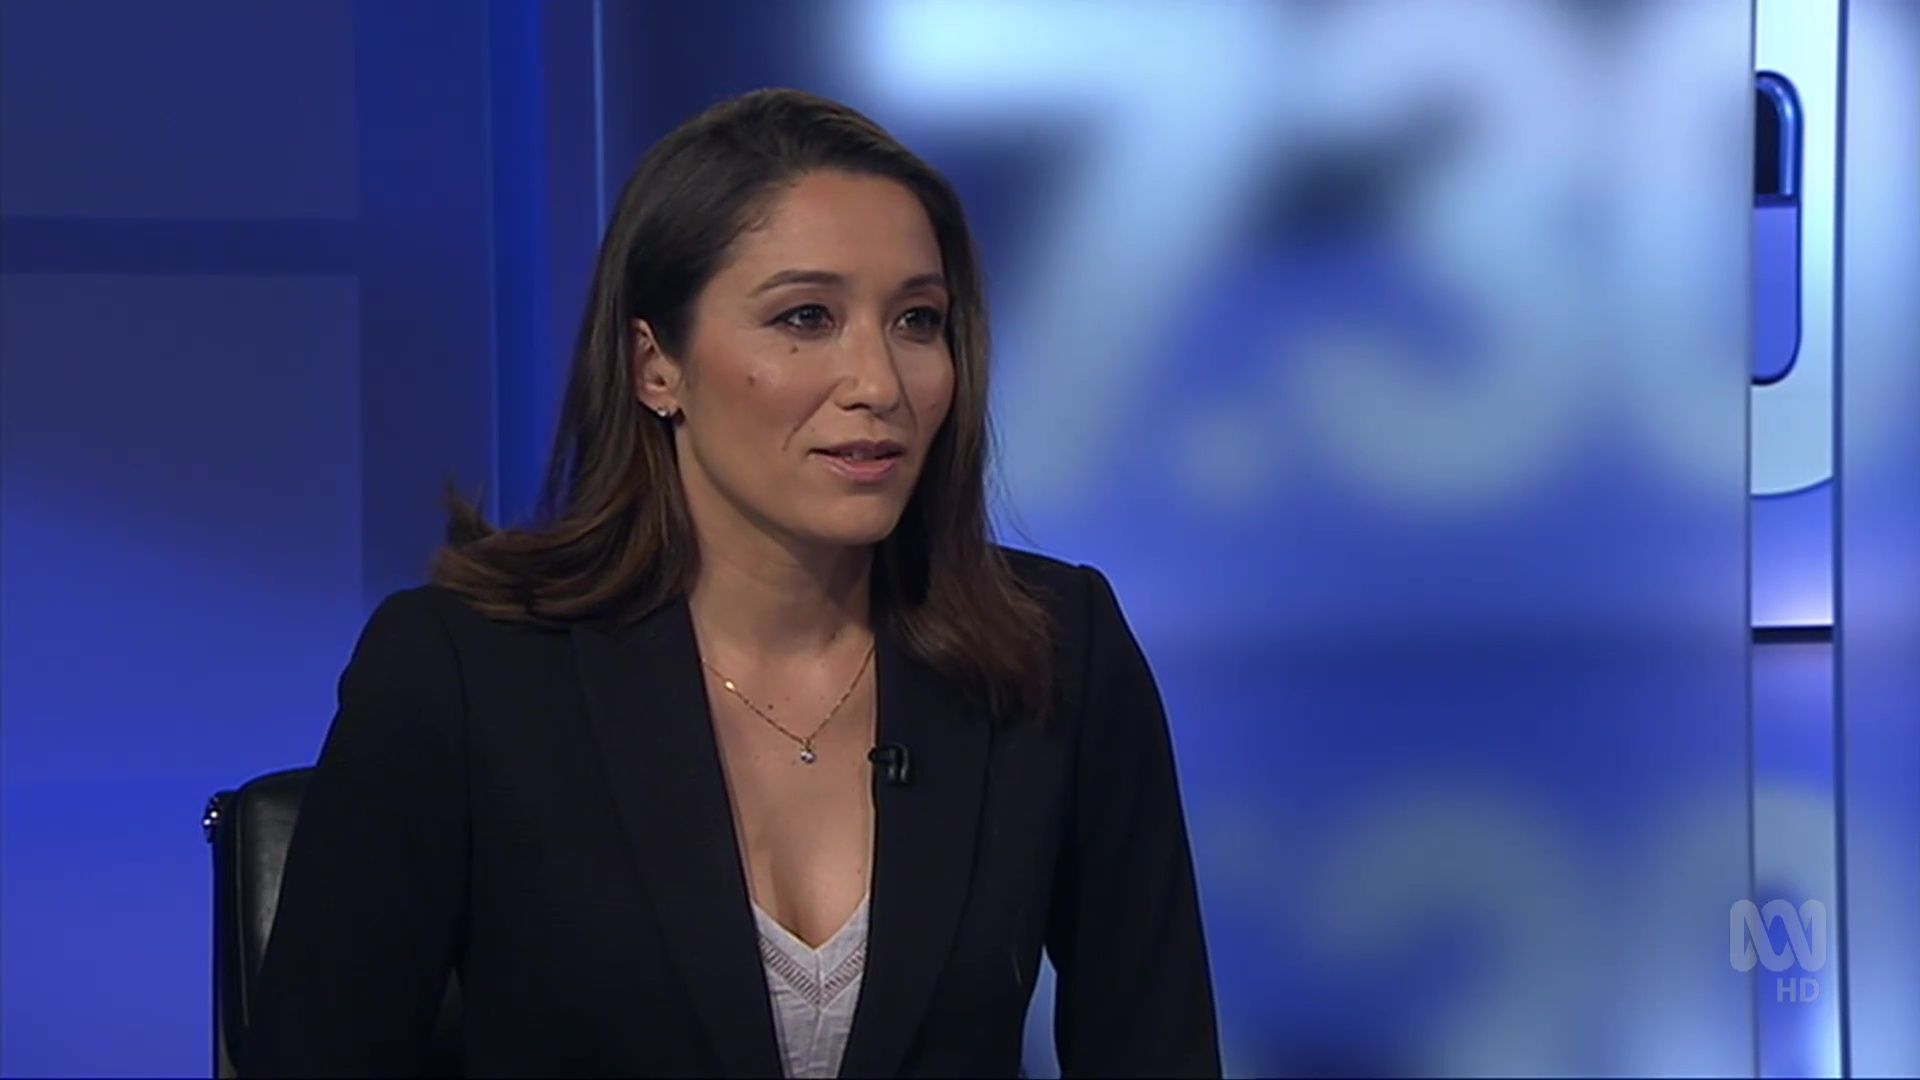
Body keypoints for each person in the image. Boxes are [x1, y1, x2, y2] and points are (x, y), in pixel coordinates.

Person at [241, 87, 1219, 1079]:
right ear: (656, 366)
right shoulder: (463, 674)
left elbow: (1158, 1049)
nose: (879, 383)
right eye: (807, 317)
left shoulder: (1056, 650)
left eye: (917, 320)